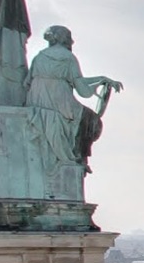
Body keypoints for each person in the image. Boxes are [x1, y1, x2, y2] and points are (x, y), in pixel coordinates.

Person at [26, 25, 122, 171]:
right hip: (58, 102)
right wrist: (101, 82)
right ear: (64, 39)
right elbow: (83, 90)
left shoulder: (39, 56)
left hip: (36, 102)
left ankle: (79, 157)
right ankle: (80, 157)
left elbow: (27, 82)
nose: (72, 42)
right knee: (91, 121)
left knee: (86, 119)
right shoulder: (68, 58)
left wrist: (101, 79)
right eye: (70, 38)